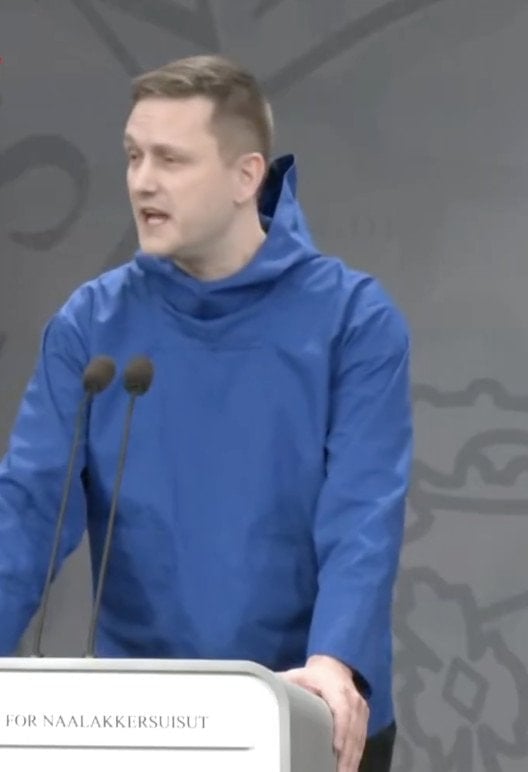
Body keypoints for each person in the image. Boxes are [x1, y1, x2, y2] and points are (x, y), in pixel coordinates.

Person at [0, 54, 411, 771]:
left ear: (246, 176)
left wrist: (334, 660)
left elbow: (363, 516)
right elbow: (28, 509)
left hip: (306, 706)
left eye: (171, 159)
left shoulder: (353, 319)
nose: (142, 181)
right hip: (135, 723)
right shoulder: (91, 324)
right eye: (133, 156)